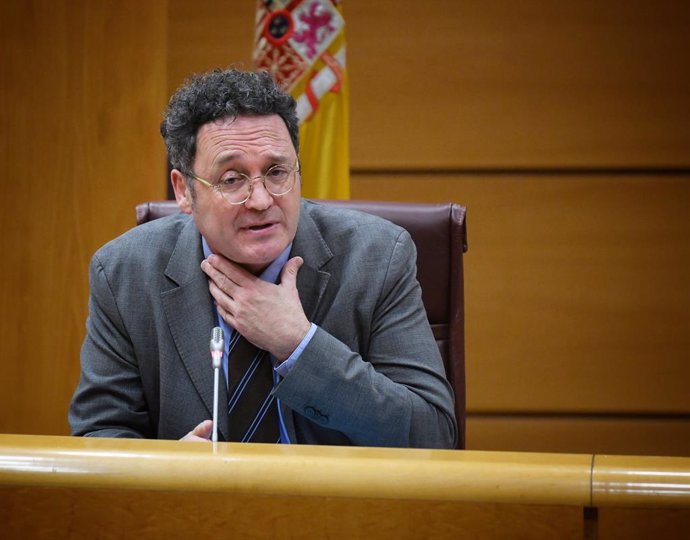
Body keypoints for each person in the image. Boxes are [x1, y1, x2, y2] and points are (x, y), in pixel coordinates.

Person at [69, 68, 457, 448]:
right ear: (184, 191)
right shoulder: (124, 273)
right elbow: (98, 434)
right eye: (232, 179)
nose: (261, 200)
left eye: (276, 172)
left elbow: (432, 433)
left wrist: (299, 345)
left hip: (336, 509)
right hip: (193, 510)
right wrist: (164, 470)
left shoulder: (378, 258)